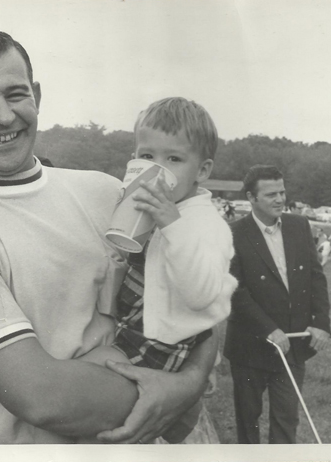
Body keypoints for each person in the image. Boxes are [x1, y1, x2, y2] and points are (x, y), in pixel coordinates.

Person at [0, 28, 218, 445]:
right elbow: (44, 399)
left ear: (36, 94)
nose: (3, 116)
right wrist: (179, 391)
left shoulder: (106, 191)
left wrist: (191, 380)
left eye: (16, 94)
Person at [79, 97, 237, 443]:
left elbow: (201, 295)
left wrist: (171, 224)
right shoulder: (154, 209)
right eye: (147, 157)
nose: (157, 167)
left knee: (77, 380)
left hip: (157, 345)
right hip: (131, 327)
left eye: (174, 159)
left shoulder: (204, 224)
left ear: (204, 170)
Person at [224, 165, 331, 444]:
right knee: (248, 421)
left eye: (282, 192)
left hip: (293, 344)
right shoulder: (233, 234)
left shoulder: (299, 225)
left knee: (287, 420)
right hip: (250, 345)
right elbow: (235, 290)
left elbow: (315, 277)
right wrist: (268, 329)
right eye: (271, 194)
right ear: (252, 197)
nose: (280, 199)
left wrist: (321, 323)